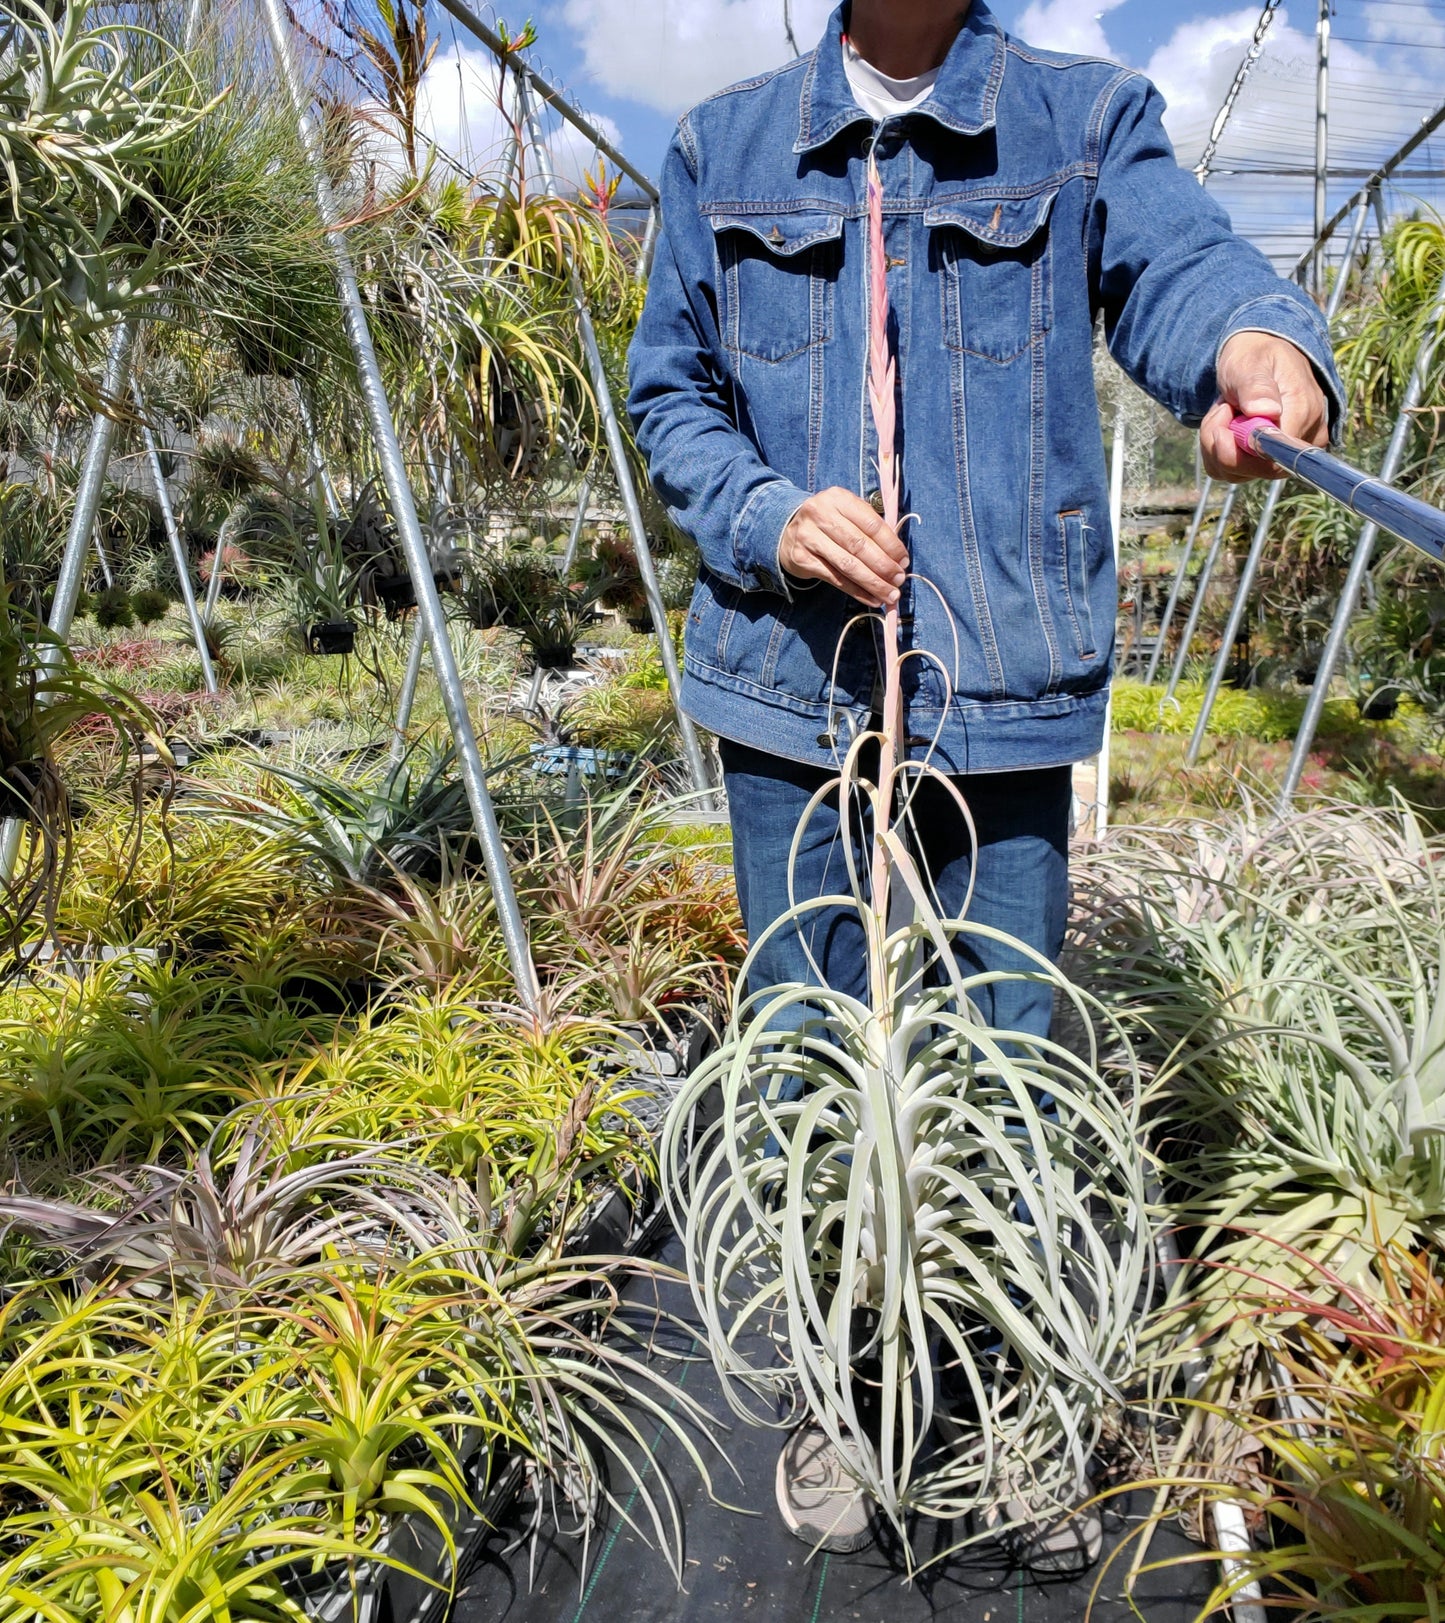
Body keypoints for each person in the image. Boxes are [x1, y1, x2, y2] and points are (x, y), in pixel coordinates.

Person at [627, 0, 1340, 1567]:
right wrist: (765, 512)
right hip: (789, 690)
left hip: (997, 683)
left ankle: (1009, 1386)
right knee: (808, 1047)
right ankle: (845, 1383)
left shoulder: (1079, 119)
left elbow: (1181, 270)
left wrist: (1259, 354)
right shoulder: (721, 146)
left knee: (1001, 1053)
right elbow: (667, 395)